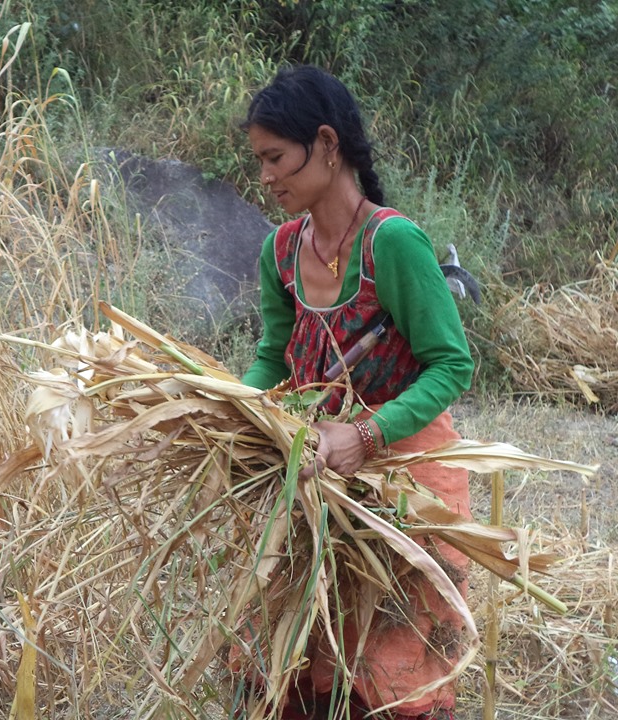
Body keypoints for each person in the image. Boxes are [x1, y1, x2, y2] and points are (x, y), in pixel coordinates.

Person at [237, 65, 474, 720]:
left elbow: (451, 365)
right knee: (290, 654)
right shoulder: (281, 251)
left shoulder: (391, 243)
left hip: (400, 478)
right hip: (311, 468)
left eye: (276, 158)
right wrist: (235, 409)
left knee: (390, 672)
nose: (266, 177)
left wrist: (364, 435)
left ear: (326, 143)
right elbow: (271, 354)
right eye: (261, 161)